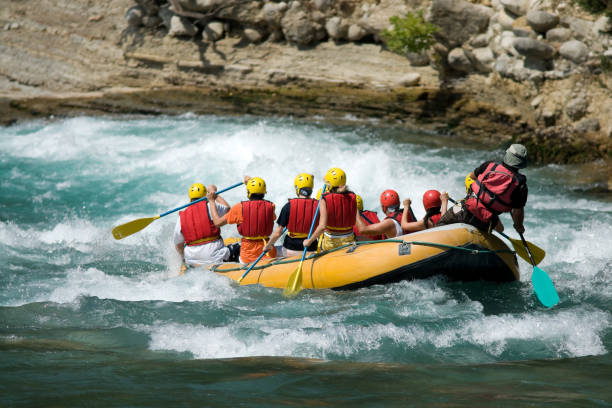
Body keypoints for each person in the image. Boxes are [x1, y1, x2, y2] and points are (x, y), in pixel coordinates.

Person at [437, 144, 529, 234]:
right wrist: (519, 226)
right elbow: (518, 211)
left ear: (507, 156)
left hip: (465, 209)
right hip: (486, 222)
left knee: (440, 225)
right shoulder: (520, 185)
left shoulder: (490, 165)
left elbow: (472, 176)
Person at [208, 176, 277, 263]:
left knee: (234, 251)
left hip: (247, 257)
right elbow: (257, 208)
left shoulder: (239, 208)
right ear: (264, 192)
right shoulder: (271, 206)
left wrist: (211, 201)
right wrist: (251, 184)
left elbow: (217, 223)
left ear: (248, 192)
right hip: (268, 253)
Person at [173, 183, 232, 266]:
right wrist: (214, 194)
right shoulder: (211, 206)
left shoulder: (181, 216)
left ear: (190, 198)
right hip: (215, 257)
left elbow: (178, 245)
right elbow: (228, 210)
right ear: (206, 196)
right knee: (236, 248)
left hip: (192, 261)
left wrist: (183, 258)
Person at [262, 173, 319, 257]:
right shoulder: (319, 205)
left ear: (297, 189)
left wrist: (268, 245)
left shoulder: (288, 206)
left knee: (278, 251)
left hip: (291, 249)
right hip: (311, 247)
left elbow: (278, 233)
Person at [303, 167, 358, 251]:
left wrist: (309, 241)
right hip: (350, 240)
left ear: (329, 184)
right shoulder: (352, 197)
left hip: (330, 243)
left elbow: (322, 226)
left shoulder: (324, 199)